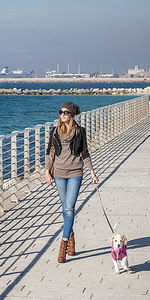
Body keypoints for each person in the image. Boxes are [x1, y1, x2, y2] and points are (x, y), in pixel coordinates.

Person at [44, 101, 99, 263]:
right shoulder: (54, 131)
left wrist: (92, 172)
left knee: (69, 208)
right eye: (60, 112)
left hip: (75, 172)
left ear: (72, 115)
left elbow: (85, 153)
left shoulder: (80, 131)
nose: (62, 115)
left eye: (66, 112)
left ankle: (64, 244)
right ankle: (72, 236)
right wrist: (47, 171)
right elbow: (50, 152)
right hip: (59, 173)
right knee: (65, 209)